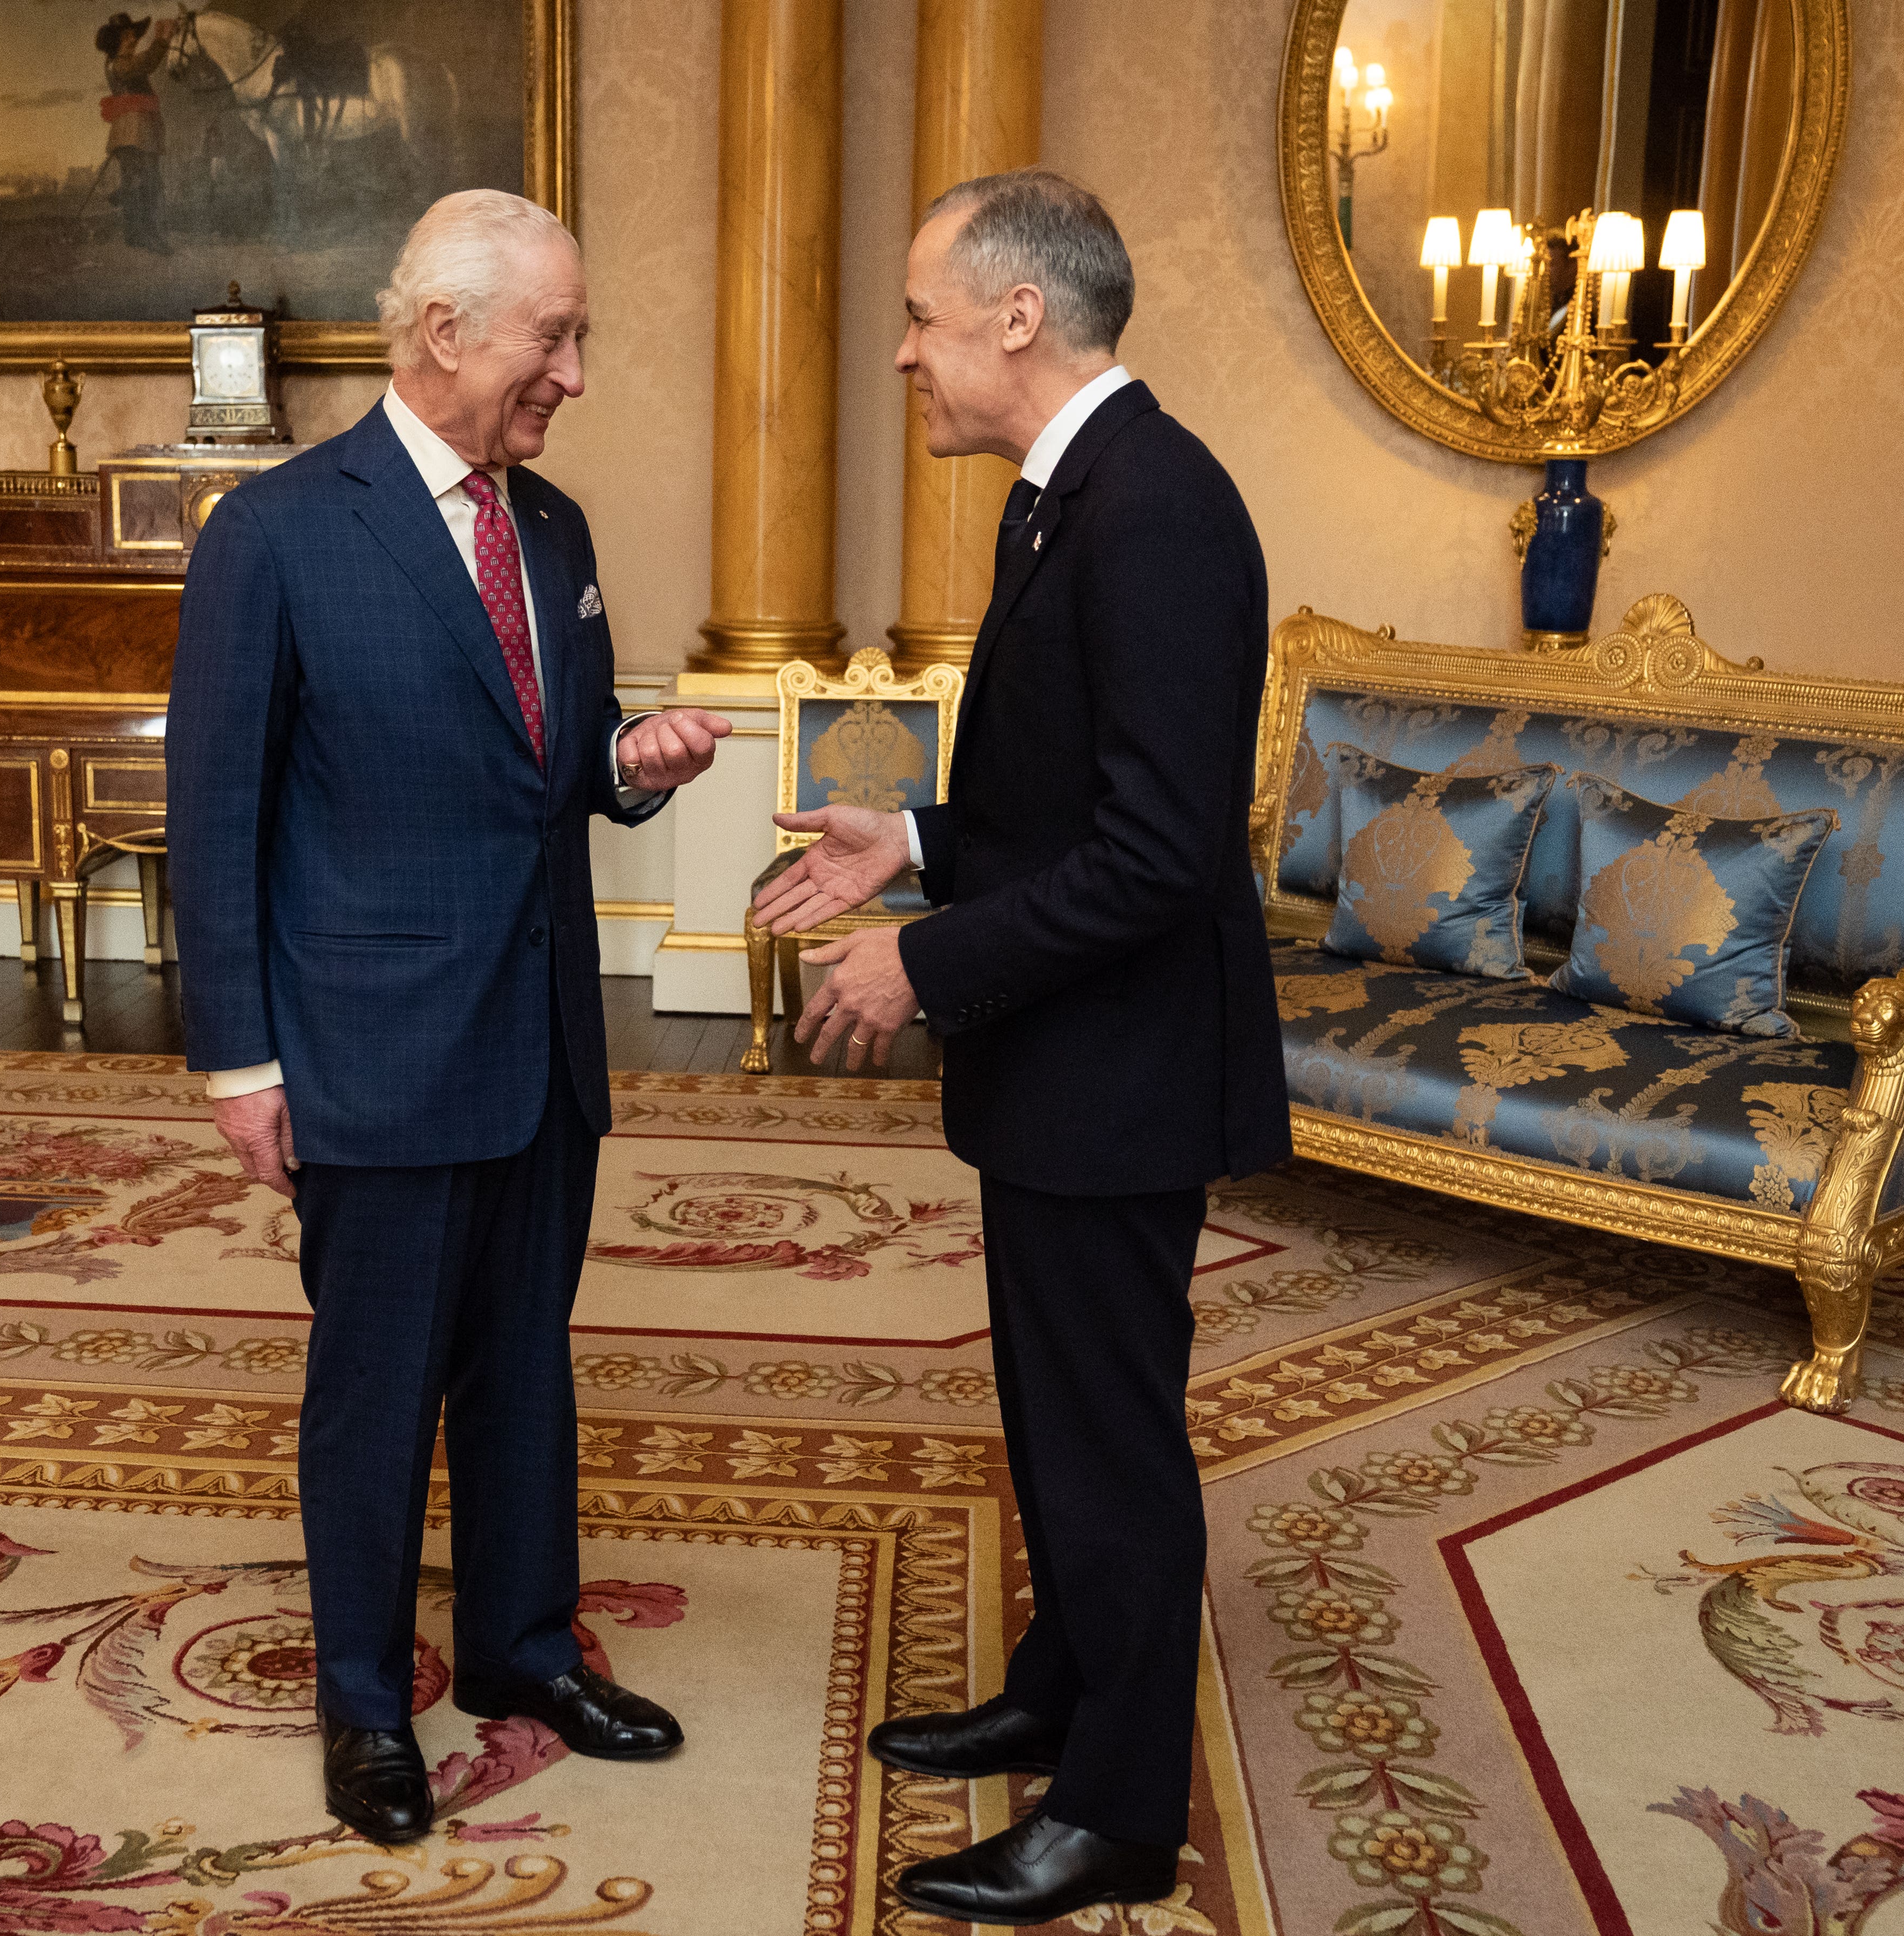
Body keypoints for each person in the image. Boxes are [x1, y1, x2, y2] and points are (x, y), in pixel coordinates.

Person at [754, 167, 1290, 1925]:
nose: (901, 355)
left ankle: (1117, 1809)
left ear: (1013, 315)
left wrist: (927, 961)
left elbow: (1155, 852)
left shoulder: (1157, 512)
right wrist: (907, 844)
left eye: (918, 318)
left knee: (1108, 1438)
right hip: (1068, 1063)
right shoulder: (1067, 499)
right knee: (1052, 1419)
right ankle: (1066, 1686)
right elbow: (1057, 798)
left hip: (1120, 1075)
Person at [169, 189, 737, 1841]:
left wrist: (626, 764)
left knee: (520, 1369)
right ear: (442, 335)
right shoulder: (274, 534)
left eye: (576, 336)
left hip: (539, 1037)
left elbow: (547, 761)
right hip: (372, 1050)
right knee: (376, 1389)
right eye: (549, 337)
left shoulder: (546, 531)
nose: (571, 370)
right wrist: (238, 1058)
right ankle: (361, 1707)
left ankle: (519, 1650)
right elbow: (215, 818)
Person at [97, 13, 171, 256]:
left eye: (132, 35)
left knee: (136, 180)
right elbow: (147, 63)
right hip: (134, 130)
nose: (132, 40)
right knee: (147, 180)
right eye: (125, 36)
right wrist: (161, 40)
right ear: (115, 41)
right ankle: (150, 235)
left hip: (137, 128)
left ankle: (134, 233)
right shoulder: (121, 64)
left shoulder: (120, 62)